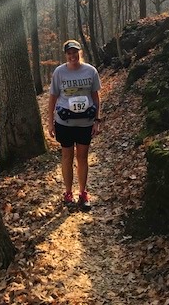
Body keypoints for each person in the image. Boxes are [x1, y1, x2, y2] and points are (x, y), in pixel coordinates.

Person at [48, 39, 102, 211]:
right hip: (64, 122)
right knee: (67, 157)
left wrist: (97, 120)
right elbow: (52, 98)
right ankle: (68, 192)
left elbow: (96, 97)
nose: (72, 56)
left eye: (75, 52)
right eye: (69, 53)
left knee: (82, 157)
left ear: (80, 52)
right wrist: (50, 122)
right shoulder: (59, 72)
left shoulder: (91, 71)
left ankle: (83, 193)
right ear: (66, 55)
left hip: (85, 122)